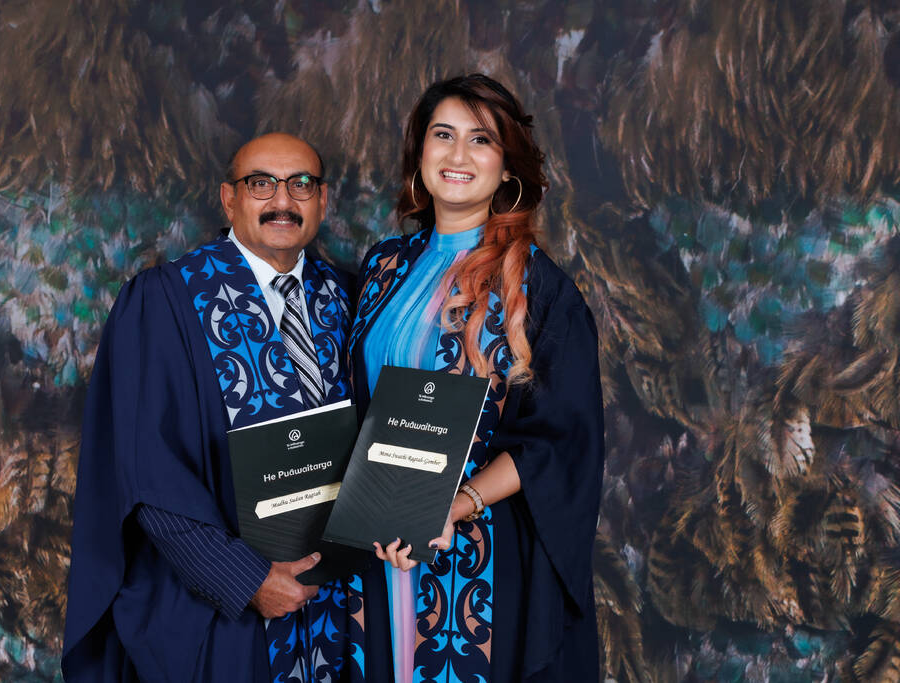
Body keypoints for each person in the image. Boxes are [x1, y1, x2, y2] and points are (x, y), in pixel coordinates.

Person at [62, 133, 365, 682]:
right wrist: (245, 580)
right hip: (225, 617)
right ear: (229, 200)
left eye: (301, 184)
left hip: (344, 612)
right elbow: (147, 471)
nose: (282, 201)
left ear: (323, 202)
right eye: (260, 184)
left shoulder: (353, 299)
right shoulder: (164, 300)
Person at [348, 74, 605, 681]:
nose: (458, 156)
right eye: (443, 135)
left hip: (475, 550)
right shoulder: (383, 266)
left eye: (481, 140)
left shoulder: (539, 290)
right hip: (375, 540)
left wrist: (459, 505)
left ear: (506, 167)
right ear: (420, 154)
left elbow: (560, 441)